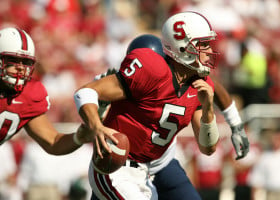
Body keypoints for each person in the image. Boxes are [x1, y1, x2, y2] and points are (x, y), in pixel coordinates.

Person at [74, 11, 246, 200]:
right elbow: (85, 92)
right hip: (118, 168)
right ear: (182, 47)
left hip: (152, 167)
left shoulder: (199, 84)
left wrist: (208, 110)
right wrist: (96, 127)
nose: (208, 50)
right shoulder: (151, 69)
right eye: (202, 44)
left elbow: (208, 149)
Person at [0, 27, 93, 154]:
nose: (21, 68)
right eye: (13, 61)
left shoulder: (28, 93)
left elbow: (53, 142)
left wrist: (78, 138)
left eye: (26, 62)